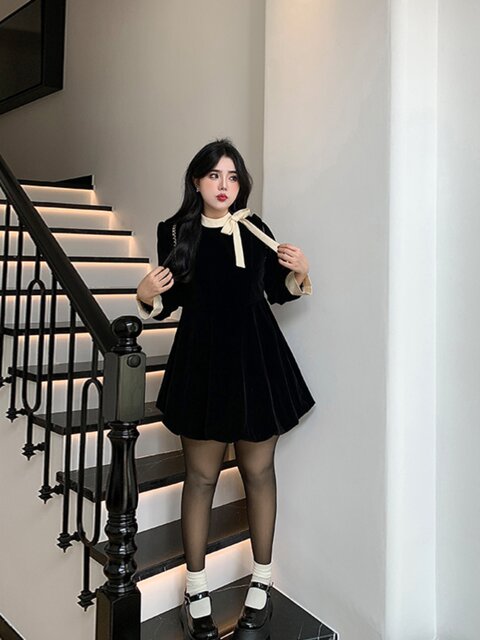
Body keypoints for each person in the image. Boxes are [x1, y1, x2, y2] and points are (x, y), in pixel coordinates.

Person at [136, 138, 315, 640]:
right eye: (214, 175)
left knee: (259, 472)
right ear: (196, 181)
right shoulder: (175, 230)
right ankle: (195, 590)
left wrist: (300, 272)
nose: (224, 185)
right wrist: (145, 295)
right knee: (200, 478)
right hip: (202, 361)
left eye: (232, 176)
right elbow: (169, 297)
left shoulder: (255, 227)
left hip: (256, 359)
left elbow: (276, 290)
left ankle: (262, 580)